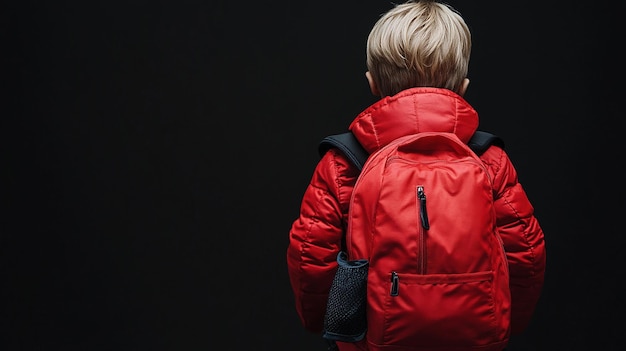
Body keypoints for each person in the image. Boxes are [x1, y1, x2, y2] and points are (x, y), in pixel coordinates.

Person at [286, 1, 546, 350]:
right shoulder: (489, 159)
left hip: (370, 341)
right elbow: (526, 251)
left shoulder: (344, 162)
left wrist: (321, 319)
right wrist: (511, 320)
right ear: (463, 87)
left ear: (372, 83)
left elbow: (310, 254)